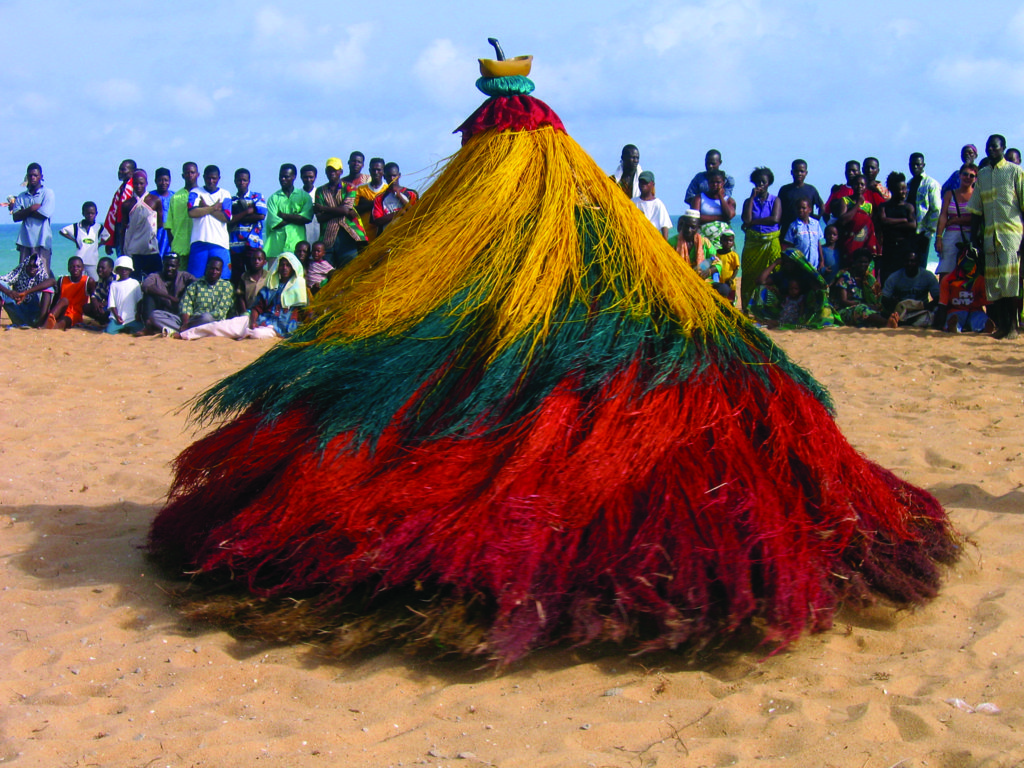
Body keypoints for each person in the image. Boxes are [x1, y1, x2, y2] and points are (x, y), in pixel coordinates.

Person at [968, 133, 1024, 339]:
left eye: (995, 147)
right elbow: (976, 211)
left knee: (1010, 283)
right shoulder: (982, 175)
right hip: (990, 238)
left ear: (1003, 148)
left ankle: (1013, 327)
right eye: (988, 147)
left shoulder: (1015, 172)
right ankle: (1002, 326)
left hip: (1011, 237)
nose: (991, 150)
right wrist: (974, 241)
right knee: (995, 285)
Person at [177, 252, 309, 340]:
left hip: (279, 328)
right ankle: (184, 335)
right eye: (282, 265)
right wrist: (252, 322)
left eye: (288, 265)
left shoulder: (302, 289)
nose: (284, 268)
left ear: (293, 268)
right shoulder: (271, 286)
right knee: (221, 326)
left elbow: (308, 312)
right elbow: (257, 307)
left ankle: (243, 336)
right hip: (258, 320)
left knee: (257, 335)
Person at [749, 249, 835, 329]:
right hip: (784, 307)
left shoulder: (805, 275)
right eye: (785, 261)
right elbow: (760, 281)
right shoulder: (781, 275)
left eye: (790, 261)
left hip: (802, 308)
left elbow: (818, 290)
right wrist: (775, 263)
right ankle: (762, 316)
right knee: (761, 289)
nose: (787, 264)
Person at [740, 167, 781, 308]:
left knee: (773, 273)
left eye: (763, 182)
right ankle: (747, 307)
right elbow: (746, 218)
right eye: (757, 182)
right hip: (753, 243)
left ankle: (771, 307)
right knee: (749, 274)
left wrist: (753, 223)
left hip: (771, 241)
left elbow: (775, 219)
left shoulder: (775, 200)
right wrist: (752, 198)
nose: (760, 185)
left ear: (769, 183)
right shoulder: (749, 201)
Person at [315, 157, 366, 266]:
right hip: (328, 237)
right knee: (327, 271)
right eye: (329, 170)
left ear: (341, 172)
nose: (332, 173)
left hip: (347, 234)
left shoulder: (349, 187)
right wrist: (341, 211)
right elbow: (320, 218)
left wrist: (324, 209)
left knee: (350, 269)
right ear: (326, 172)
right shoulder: (320, 191)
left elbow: (345, 209)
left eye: (335, 170)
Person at [187, 165, 233, 281]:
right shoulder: (195, 192)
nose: (211, 181)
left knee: (222, 279)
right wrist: (214, 208)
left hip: (220, 243)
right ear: (203, 177)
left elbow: (226, 217)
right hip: (199, 242)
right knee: (195, 279)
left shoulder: (225, 194)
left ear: (219, 178)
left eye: (214, 178)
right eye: (208, 178)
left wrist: (205, 208)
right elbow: (192, 212)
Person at [880, 237, 940, 327]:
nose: (910, 264)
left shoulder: (928, 276)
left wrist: (925, 306)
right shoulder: (894, 277)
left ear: (918, 262)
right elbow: (884, 298)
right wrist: (893, 302)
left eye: (913, 261)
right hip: (901, 311)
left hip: (920, 311)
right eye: (907, 261)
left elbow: (938, 298)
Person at [8, 163, 55, 275]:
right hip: (25, 241)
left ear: (41, 176)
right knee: (24, 274)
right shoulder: (22, 196)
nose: (33, 178)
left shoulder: (47, 193)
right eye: (30, 175)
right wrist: (32, 209)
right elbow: (15, 217)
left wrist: (24, 212)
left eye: (35, 175)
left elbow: (44, 214)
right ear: (27, 177)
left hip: (42, 240)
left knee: (43, 274)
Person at [934, 246, 992, 333]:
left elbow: (989, 304)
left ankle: (984, 328)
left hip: (975, 311)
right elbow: (943, 305)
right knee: (953, 319)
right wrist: (939, 325)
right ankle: (953, 328)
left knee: (980, 319)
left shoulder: (980, 280)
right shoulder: (947, 280)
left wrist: (992, 319)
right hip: (956, 311)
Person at [831, 248, 893, 327]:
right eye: (860, 262)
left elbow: (876, 299)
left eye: (865, 262)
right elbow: (843, 301)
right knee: (861, 309)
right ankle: (886, 323)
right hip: (844, 311)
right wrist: (864, 304)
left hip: (864, 308)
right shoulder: (845, 276)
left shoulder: (869, 280)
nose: (863, 265)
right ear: (854, 262)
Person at [935, 163, 978, 277]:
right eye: (965, 174)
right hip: (950, 236)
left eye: (971, 176)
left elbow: (975, 218)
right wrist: (939, 238)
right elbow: (943, 216)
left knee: (968, 273)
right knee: (946, 271)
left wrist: (955, 221)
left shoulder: (976, 195)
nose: (967, 178)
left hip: (969, 237)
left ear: (975, 179)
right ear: (959, 175)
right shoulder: (950, 194)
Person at [173, 256, 234, 332]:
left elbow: (221, 311)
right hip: (193, 319)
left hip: (213, 321)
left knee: (206, 317)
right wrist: (185, 322)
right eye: (212, 268)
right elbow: (185, 305)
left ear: (221, 271)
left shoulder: (226, 286)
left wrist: (190, 324)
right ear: (206, 268)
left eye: (217, 269)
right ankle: (190, 328)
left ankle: (187, 328)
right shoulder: (195, 285)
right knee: (157, 315)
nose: (214, 272)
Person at [876, 172, 917, 286]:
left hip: (904, 247)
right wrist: (903, 220)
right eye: (901, 189)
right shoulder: (884, 206)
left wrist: (891, 222)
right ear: (893, 189)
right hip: (889, 247)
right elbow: (883, 221)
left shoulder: (908, 207)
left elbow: (913, 225)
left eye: (905, 189)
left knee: (904, 278)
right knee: (887, 278)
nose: (904, 192)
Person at [265, 164, 313, 261]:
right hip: (275, 247)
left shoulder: (304, 197)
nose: (283, 179)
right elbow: (274, 223)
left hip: (297, 248)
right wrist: (296, 217)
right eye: (281, 176)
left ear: (294, 177)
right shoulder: (273, 198)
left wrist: (284, 216)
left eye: (286, 176)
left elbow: (307, 218)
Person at [138, 254, 196, 335]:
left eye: (172, 266)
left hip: (179, 314)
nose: (169, 269)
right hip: (161, 312)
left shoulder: (184, 276)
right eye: (167, 265)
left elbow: (195, 283)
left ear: (178, 266)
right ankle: (148, 326)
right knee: (148, 295)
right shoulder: (155, 276)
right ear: (163, 264)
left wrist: (183, 295)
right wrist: (169, 297)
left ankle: (181, 328)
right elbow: (145, 285)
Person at [121, 169, 163, 278]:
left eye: (141, 183)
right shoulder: (127, 204)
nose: (139, 186)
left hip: (151, 250)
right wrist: (122, 251)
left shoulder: (155, 200)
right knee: (134, 282)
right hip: (133, 251)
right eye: (136, 183)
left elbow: (160, 224)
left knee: (156, 280)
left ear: (146, 183)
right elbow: (123, 228)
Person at [228, 168, 267, 279]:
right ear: (235, 181)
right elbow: (229, 220)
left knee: (254, 276)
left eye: (244, 180)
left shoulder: (257, 196)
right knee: (237, 278)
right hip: (235, 245)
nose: (241, 183)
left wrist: (238, 216)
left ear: (249, 181)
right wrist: (247, 212)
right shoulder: (231, 200)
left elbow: (261, 215)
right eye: (239, 180)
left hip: (253, 243)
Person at [0, 255, 54, 328]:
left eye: (35, 266)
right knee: (2, 287)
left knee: (49, 288)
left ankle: (41, 324)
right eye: (29, 265)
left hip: (35, 316)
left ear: (39, 267)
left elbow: (52, 281)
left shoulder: (41, 275)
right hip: (18, 312)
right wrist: (8, 292)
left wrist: (26, 292)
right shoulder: (20, 272)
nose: (32, 268)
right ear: (26, 266)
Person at [689, 169, 735, 252]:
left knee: (723, 262)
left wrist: (720, 197)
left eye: (718, 182)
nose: (715, 185)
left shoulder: (729, 200)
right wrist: (720, 218)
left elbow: (729, 215)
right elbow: (695, 218)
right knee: (705, 264)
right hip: (704, 240)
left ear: (723, 183)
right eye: (712, 182)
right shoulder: (699, 198)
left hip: (723, 243)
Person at [834, 174, 877, 264]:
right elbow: (842, 220)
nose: (859, 187)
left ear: (866, 187)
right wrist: (857, 204)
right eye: (856, 184)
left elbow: (869, 227)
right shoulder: (845, 201)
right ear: (852, 186)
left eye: (862, 184)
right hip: (848, 244)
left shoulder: (869, 206)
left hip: (863, 244)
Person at [44, 256, 95, 330]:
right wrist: (51, 311)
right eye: (72, 267)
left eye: (78, 266)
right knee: (64, 300)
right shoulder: (62, 280)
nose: (75, 269)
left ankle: (54, 327)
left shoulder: (87, 281)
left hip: (75, 314)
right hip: (61, 310)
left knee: (65, 320)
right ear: (68, 268)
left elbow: (93, 298)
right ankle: (47, 322)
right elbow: (55, 299)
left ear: (83, 268)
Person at [777, 159, 825, 236]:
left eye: (802, 171)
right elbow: (778, 209)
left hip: (805, 231)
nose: (799, 173)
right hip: (787, 231)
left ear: (806, 173)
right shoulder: (785, 190)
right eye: (796, 171)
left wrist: (817, 219)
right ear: (792, 172)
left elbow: (822, 206)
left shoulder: (811, 190)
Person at [371, 163, 418, 240]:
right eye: (389, 176)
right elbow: (378, 221)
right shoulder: (380, 198)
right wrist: (397, 213)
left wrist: (399, 196)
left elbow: (416, 213)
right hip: (387, 239)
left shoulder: (411, 194)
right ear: (384, 177)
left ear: (399, 175)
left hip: (409, 237)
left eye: (394, 176)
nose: (392, 179)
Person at [100, 159, 135, 255]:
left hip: (129, 233)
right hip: (119, 233)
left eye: (123, 170)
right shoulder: (121, 189)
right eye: (119, 169)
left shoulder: (134, 189)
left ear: (132, 172)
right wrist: (110, 241)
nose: (120, 172)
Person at [59, 201, 102, 280]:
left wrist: (99, 244)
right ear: (83, 213)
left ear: (96, 213)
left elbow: (107, 237)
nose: (90, 215)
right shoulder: (76, 226)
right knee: (79, 281)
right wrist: (74, 240)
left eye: (92, 213)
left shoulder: (99, 227)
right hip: (79, 260)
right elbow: (62, 231)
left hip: (93, 260)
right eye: (88, 213)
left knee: (94, 280)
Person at [165, 162, 199, 257]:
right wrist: (173, 245)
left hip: (197, 247)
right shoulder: (175, 197)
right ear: (183, 175)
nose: (190, 175)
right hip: (179, 247)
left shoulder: (203, 195)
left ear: (198, 174)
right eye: (187, 173)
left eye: (192, 172)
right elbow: (169, 226)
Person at [105, 256, 144, 334]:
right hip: (117, 319)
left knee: (140, 330)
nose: (124, 271)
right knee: (109, 332)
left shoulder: (135, 283)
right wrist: (117, 316)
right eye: (121, 268)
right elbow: (112, 304)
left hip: (132, 318)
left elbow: (139, 300)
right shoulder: (114, 284)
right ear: (117, 270)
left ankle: (127, 328)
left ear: (130, 270)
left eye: (126, 268)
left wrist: (138, 314)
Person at [781, 198, 824, 268]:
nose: (801, 210)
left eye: (804, 208)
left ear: (810, 210)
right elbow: (790, 246)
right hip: (800, 264)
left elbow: (818, 242)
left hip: (815, 264)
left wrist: (822, 260)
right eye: (798, 208)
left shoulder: (815, 224)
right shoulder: (793, 226)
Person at [909, 153, 942, 242]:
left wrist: (929, 233)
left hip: (923, 232)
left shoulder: (931, 184)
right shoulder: (908, 185)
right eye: (912, 164)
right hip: (909, 231)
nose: (915, 167)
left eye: (918, 164)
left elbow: (936, 209)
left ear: (923, 165)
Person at [356, 158, 388, 243]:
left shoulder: (387, 189)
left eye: (379, 170)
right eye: (373, 170)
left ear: (383, 171)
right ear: (370, 171)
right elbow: (354, 210)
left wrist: (366, 203)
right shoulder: (361, 189)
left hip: (382, 235)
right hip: (363, 235)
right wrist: (376, 204)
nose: (376, 172)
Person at [632, 170, 671, 239]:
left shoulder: (658, 204)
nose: (643, 185)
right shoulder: (632, 202)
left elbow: (664, 226)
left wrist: (664, 245)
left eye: (646, 182)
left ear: (652, 184)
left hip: (652, 239)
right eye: (641, 182)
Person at [823, 160, 860, 224]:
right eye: (848, 171)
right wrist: (831, 225)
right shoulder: (838, 190)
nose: (851, 173)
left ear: (859, 172)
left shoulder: (865, 191)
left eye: (854, 171)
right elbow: (826, 211)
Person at [234, 248, 268, 315]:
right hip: (249, 311)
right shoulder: (245, 276)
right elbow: (240, 296)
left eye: (259, 259)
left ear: (264, 262)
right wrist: (244, 312)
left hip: (264, 312)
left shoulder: (268, 276)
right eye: (254, 259)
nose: (256, 261)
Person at [83, 256, 114, 326]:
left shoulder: (115, 281)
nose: (99, 270)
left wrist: (104, 305)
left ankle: (107, 323)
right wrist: (95, 302)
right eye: (98, 267)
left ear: (111, 269)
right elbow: (95, 294)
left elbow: (116, 300)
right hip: (106, 306)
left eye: (103, 268)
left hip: (115, 308)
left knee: (102, 310)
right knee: (86, 307)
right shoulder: (102, 279)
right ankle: (101, 321)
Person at [153, 168, 174, 257]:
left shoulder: (175, 196)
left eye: (166, 180)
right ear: (155, 181)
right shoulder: (150, 197)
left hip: (170, 234)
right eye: (160, 180)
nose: (163, 183)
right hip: (155, 234)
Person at [712, 229, 740, 300]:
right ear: (721, 241)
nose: (728, 243)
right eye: (725, 240)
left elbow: (736, 269)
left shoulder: (733, 255)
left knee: (729, 301)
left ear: (733, 243)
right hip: (719, 283)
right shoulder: (716, 253)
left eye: (730, 241)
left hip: (730, 283)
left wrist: (731, 279)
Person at [300, 164, 321, 245]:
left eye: (311, 177)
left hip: (317, 234)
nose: (308, 179)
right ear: (301, 177)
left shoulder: (320, 194)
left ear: (315, 177)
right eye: (305, 177)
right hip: (301, 235)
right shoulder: (297, 195)